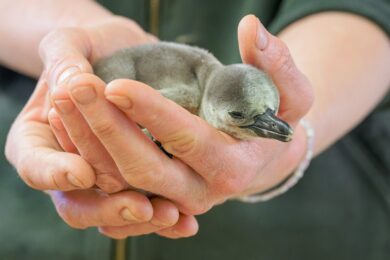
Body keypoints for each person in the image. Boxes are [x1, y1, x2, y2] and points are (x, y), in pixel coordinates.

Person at [1, 0, 389, 259]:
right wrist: (72, 47)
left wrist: (298, 134)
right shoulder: (185, 87)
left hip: (304, 232)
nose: (272, 126)